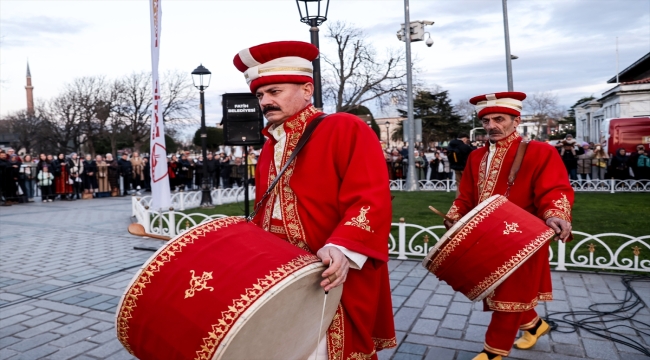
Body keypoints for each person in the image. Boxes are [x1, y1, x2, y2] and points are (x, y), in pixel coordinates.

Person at [233, 40, 396, 359]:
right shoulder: (269, 145)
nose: (265, 101)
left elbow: (371, 198)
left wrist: (342, 246)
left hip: (330, 270)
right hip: (281, 275)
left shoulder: (344, 127)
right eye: (260, 95)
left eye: (274, 91)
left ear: (307, 90)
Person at [446, 92, 573, 360]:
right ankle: (536, 326)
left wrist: (556, 214)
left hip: (523, 238)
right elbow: (466, 195)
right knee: (497, 289)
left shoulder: (540, 151)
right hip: (486, 238)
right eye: (487, 120)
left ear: (517, 121)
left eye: (499, 119)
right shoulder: (475, 157)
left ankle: (493, 352)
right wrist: (455, 215)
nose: (491, 125)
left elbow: (555, 188)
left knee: (511, 295)